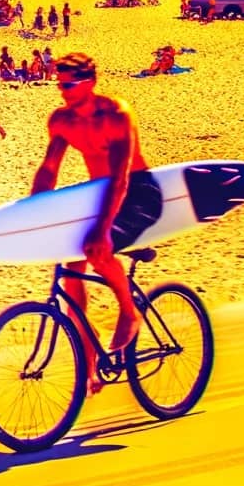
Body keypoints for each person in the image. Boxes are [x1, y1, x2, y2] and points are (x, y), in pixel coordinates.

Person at [35, 52, 160, 391]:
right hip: (100, 195)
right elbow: (49, 169)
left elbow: (121, 177)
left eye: (70, 84)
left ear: (90, 83)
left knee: (96, 249)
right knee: (71, 277)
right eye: (59, 84)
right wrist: (32, 210)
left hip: (138, 193)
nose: (63, 91)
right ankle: (89, 369)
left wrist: (102, 229)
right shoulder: (63, 121)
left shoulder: (116, 115)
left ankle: (129, 310)